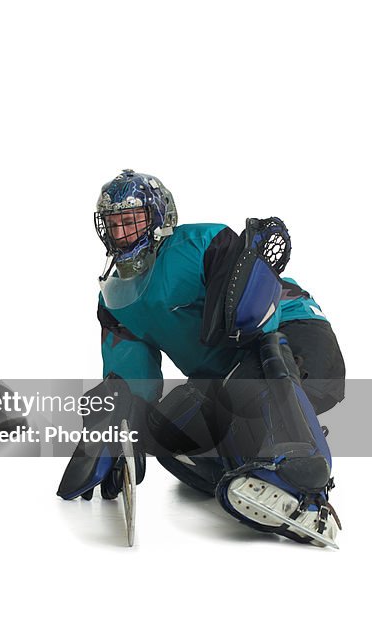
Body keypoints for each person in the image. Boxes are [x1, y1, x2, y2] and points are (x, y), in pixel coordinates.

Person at [56, 169, 345, 547]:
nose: (123, 232)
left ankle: (304, 483)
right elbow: (132, 376)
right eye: (114, 223)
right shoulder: (113, 298)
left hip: (295, 335)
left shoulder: (200, 243)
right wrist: (118, 423)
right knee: (165, 431)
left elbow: (258, 317)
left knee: (259, 364)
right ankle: (243, 478)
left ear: (159, 219)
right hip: (228, 377)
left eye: (132, 220)